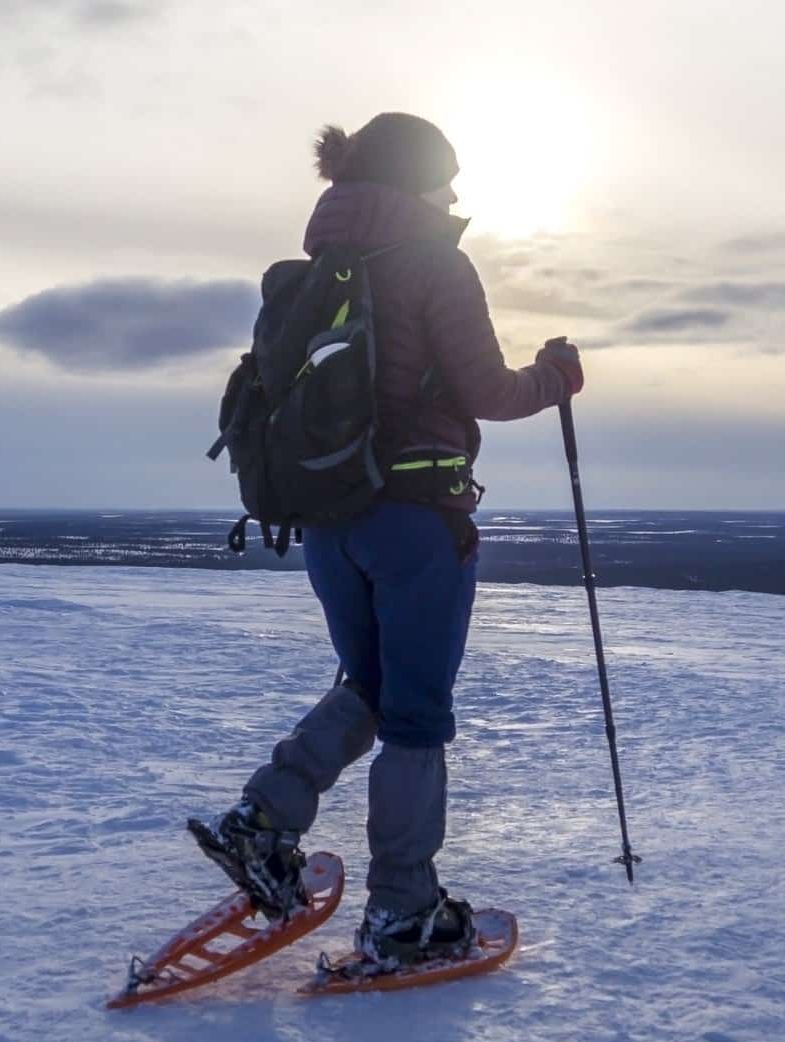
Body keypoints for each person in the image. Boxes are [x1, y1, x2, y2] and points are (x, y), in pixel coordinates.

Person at [191, 112, 584, 967]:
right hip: (415, 521)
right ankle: (404, 908)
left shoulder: (317, 270)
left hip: (330, 522)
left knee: (367, 685)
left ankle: (262, 822)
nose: (453, 195)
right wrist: (556, 377)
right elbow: (486, 388)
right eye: (444, 180)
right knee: (415, 715)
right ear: (415, 182)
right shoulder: (434, 262)